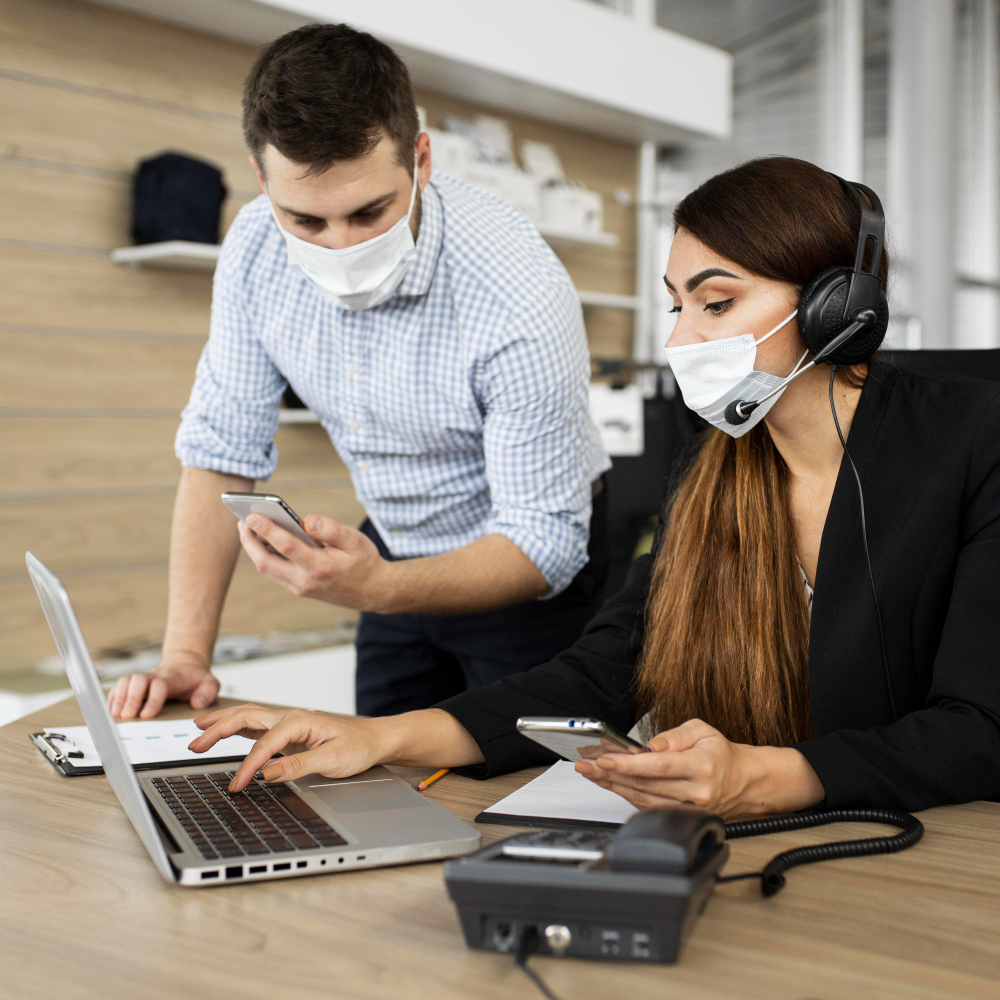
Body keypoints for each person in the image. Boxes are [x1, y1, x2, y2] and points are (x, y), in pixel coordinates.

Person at [188, 156, 1000, 816]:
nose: (683, 339)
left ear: (837, 308)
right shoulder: (716, 463)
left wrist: (763, 776)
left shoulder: (974, 443)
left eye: (716, 303)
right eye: (677, 305)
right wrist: (378, 737)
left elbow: (981, 729)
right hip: (765, 853)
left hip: (934, 856)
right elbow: (603, 673)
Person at [108, 24, 609, 722]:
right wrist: (186, 658)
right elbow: (219, 455)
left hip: (524, 576)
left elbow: (544, 544)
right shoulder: (254, 247)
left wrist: (381, 586)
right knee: (378, 780)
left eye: (370, 211)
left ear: (422, 159)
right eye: (306, 220)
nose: (341, 247)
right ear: (261, 178)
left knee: (523, 797)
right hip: (392, 548)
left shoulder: (516, 289)